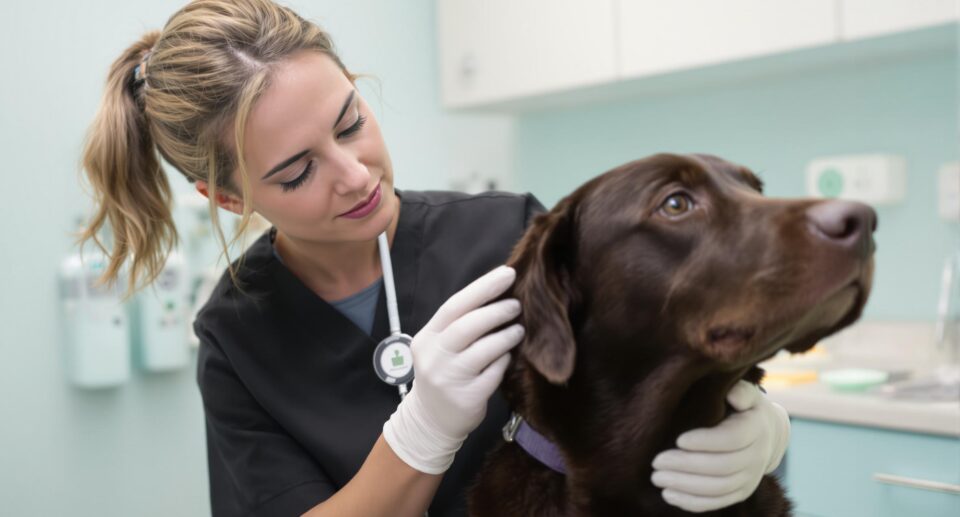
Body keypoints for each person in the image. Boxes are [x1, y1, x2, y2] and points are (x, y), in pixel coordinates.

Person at [78, 1, 791, 515]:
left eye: (351, 123)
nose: (355, 174)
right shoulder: (237, 338)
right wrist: (422, 432)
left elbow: (660, 369)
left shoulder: (508, 234)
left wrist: (760, 428)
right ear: (228, 198)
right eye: (296, 172)